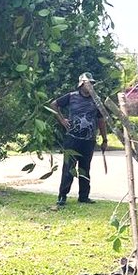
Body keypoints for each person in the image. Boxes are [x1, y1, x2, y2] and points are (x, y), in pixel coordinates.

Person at [51, 72, 108, 207]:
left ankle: (84, 196)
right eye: (88, 83)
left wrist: (105, 139)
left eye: (92, 83)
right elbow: (54, 105)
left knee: (85, 168)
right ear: (81, 84)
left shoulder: (96, 100)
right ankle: (62, 196)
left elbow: (101, 120)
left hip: (89, 140)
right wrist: (62, 120)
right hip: (72, 139)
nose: (90, 86)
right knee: (68, 168)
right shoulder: (71, 97)